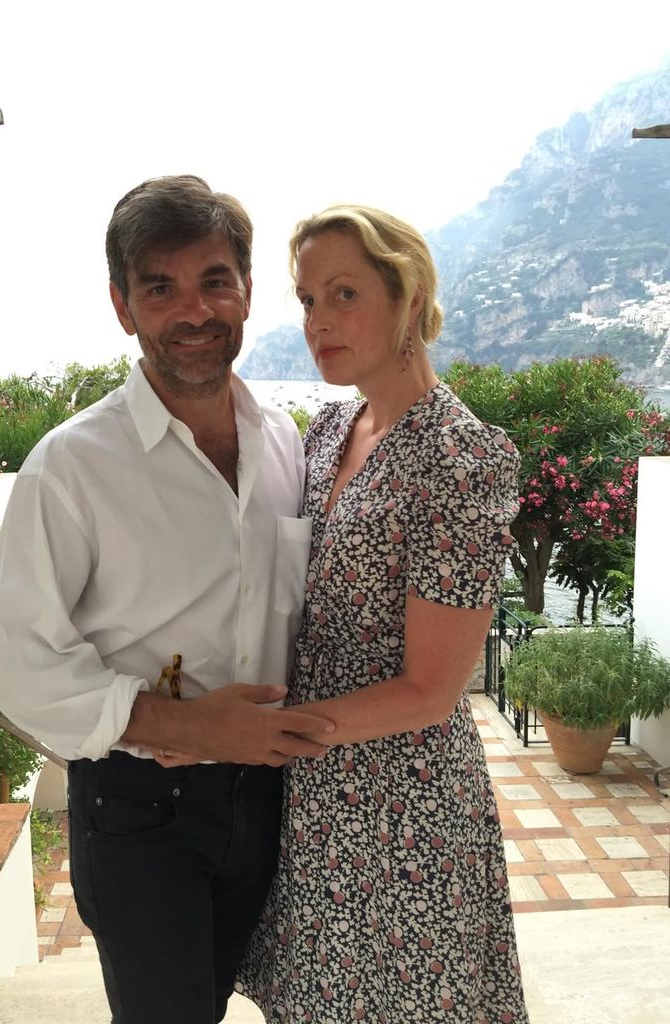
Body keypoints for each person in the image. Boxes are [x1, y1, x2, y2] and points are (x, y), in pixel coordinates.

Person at [0, 175, 335, 1024]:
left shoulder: (282, 440)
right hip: (142, 813)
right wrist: (187, 726)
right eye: (160, 287)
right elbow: (21, 668)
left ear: (247, 288)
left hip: (268, 799)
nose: (195, 310)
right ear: (122, 305)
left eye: (215, 279)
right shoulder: (72, 465)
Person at [234, 206, 530, 1023]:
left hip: (404, 808)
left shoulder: (461, 456)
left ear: (410, 296)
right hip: (315, 792)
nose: (318, 322)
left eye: (344, 293)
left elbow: (431, 690)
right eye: (305, 300)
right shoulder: (331, 427)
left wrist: (272, 731)